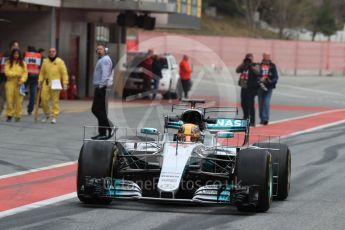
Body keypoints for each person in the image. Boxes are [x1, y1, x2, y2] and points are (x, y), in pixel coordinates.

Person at [38, 48, 68, 124]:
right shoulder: (45, 61)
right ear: (48, 53)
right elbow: (42, 73)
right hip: (46, 82)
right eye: (50, 52)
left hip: (56, 82)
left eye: (53, 51)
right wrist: (40, 81)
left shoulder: (60, 61)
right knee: (43, 99)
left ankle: (54, 116)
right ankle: (47, 114)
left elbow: (64, 73)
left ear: (56, 52)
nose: (51, 53)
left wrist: (65, 83)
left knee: (55, 101)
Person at [91, 44, 114, 140]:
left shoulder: (105, 60)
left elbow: (105, 74)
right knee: (101, 111)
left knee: (96, 110)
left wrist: (101, 86)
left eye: (101, 49)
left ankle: (110, 126)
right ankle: (102, 133)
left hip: (102, 88)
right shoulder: (102, 59)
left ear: (105, 50)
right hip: (100, 87)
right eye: (97, 49)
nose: (99, 50)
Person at [4, 48, 28, 122]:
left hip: (20, 83)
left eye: (17, 54)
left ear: (19, 55)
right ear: (12, 54)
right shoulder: (8, 62)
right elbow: (7, 72)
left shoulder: (23, 63)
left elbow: (25, 73)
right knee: (9, 100)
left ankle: (18, 115)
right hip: (10, 83)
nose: (16, 55)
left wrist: (22, 80)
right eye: (14, 54)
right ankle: (9, 115)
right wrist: (16, 74)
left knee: (19, 101)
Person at [236, 53, 260, 127]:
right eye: (247, 59)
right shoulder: (244, 66)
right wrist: (243, 64)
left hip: (252, 88)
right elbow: (237, 70)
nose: (248, 60)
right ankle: (245, 117)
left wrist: (251, 65)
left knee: (250, 105)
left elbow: (258, 72)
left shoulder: (255, 65)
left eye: (250, 59)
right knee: (243, 104)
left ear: (252, 59)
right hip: (244, 87)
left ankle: (252, 121)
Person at [258, 52, 279, 125]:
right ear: (263, 56)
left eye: (268, 56)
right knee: (261, 103)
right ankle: (262, 118)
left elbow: (276, 77)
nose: (267, 57)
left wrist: (271, 81)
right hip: (260, 86)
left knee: (266, 102)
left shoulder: (273, 66)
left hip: (269, 86)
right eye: (266, 56)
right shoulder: (259, 65)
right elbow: (256, 74)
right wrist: (260, 80)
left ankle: (265, 118)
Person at [0, 41, 19, 116]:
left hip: (3, 79)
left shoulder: (3, 54)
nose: (18, 48)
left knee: (2, 97)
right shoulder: (12, 55)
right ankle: (10, 114)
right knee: (10, 98)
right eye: (17, 46)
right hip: (9, 80)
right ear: (12, 46)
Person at [24, 46, 41, 115]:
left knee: (21, 92)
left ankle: (18, 107)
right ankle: (30, 109)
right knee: (33, 93)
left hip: (26, 75)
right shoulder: (38, 56)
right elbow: (40, 66)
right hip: (35, 76)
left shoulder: (25, 54)